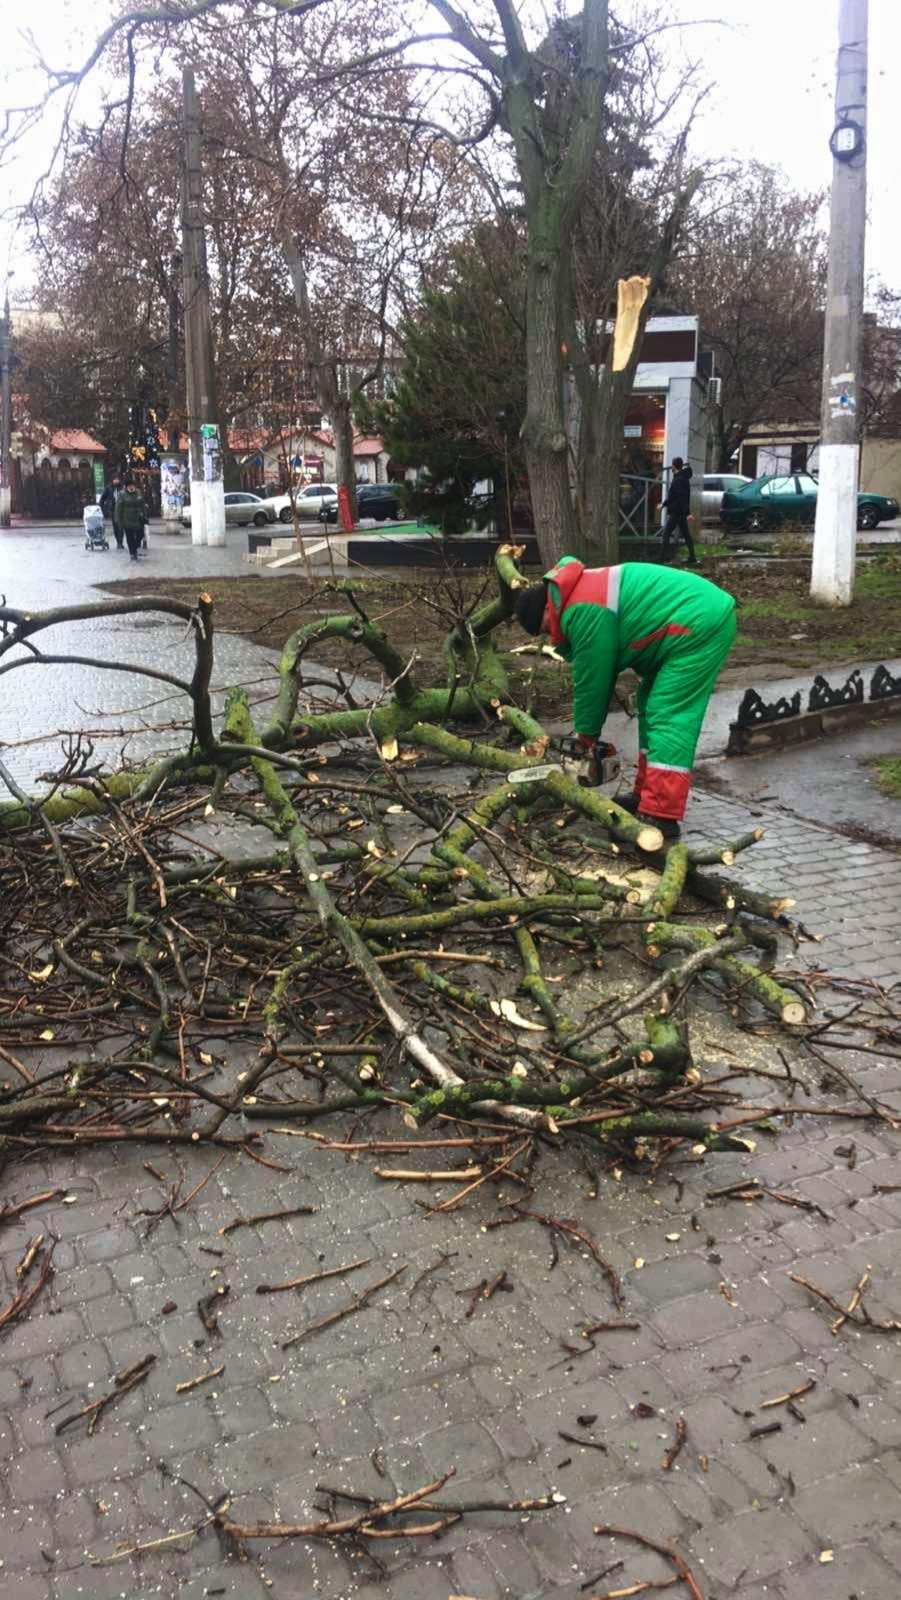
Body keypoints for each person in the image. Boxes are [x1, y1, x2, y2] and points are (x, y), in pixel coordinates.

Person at [513, 556, 736, 838]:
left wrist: (587, 735)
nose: (550, 634)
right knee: (649, 706)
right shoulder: (577, 594)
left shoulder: (580, 609)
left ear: (547, 607)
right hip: (682, 625)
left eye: (545, 628)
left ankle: (661, 815)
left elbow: (593, 677)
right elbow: (600, 668)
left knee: (668, 714)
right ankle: (646, 795)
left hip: (698, 624)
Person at [660, 458, 697, 565]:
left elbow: (680, 497)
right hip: (680, 512)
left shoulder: (678, 480)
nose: (671, 467)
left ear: (674, 466)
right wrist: (664, 504)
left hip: (676, 512)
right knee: (686, 534)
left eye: (672, 465)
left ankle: (664, 558)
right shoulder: (682, 478)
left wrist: (688, 512)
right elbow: (678, 497)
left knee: (666, 533)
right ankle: (692, 556)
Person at [117, 477, 148, 562]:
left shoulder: (138, 492)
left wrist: (145, 516)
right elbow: (118, 508)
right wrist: (119, 520)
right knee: (129, 537)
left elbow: (142, 504)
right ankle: (132, 553)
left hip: (138, 518)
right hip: (127, 519)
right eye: (129, 485)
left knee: (140, 534)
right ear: (126, 486)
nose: (131, 487)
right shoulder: (122, 494)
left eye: (132, 485)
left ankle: (135, 548)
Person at [103, 477, 124, 549]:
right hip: (113, 509)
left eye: (117, 479)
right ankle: (118, 541)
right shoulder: (109, 488)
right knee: (115, 527)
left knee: (121, 527)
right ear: (112, 480)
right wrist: (101, 506)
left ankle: (120, 543)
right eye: (115, 479)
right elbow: (103, 497)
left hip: (121, 510)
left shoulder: (122, 488)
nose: (116, 481)